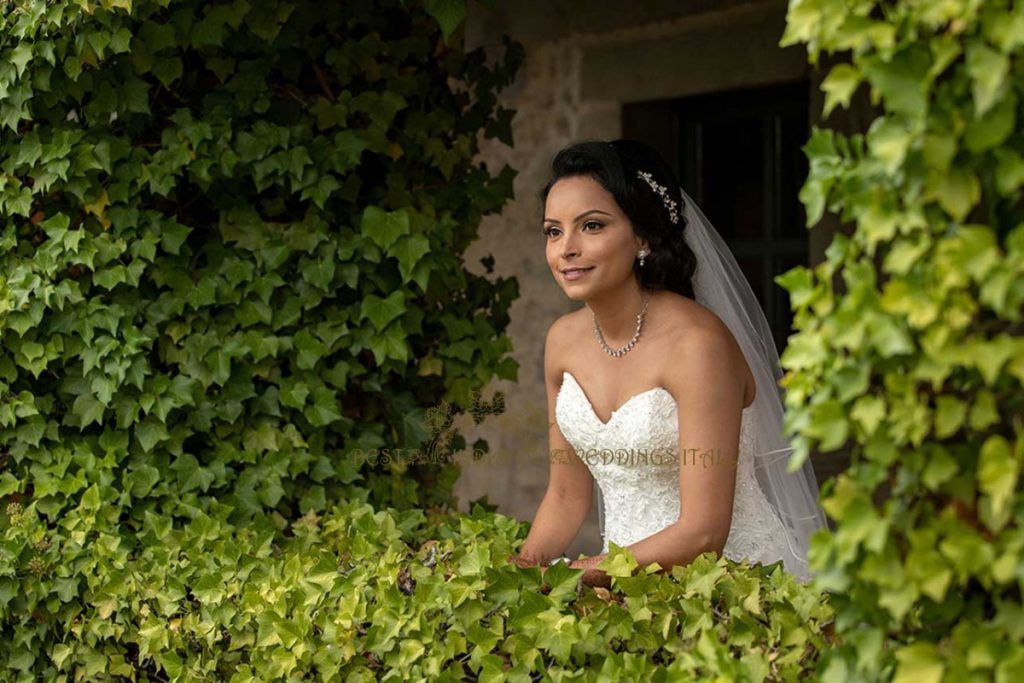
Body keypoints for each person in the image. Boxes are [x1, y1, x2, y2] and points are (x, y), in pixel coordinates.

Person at [508, 140, 828, 588]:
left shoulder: (698, 346)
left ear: (642, 236)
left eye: (591, 226)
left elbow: (703, 533)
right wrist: (521, 578)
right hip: (621, 589)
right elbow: (565, 494)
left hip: (731, 588)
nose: (566, 249)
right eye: (553, 231)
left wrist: (569, 577)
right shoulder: (561, 341)